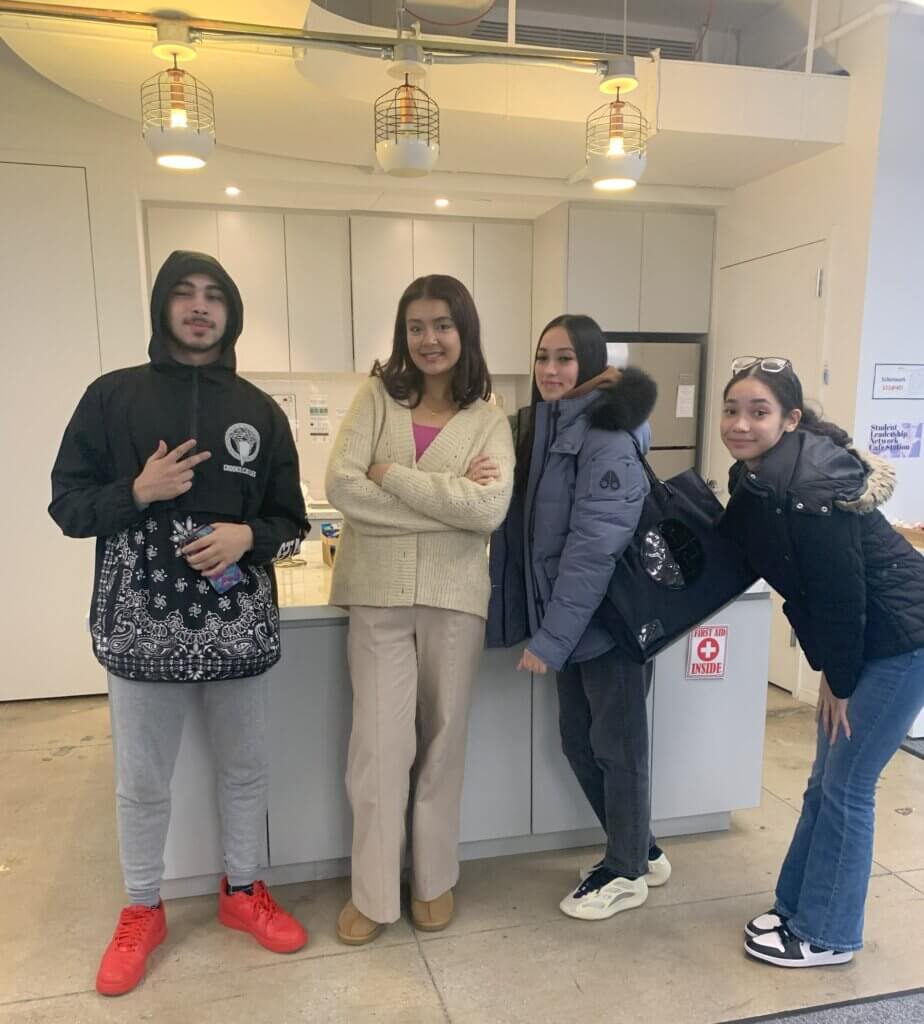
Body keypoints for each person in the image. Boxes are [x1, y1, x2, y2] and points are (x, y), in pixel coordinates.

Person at [49, 251, 310, 997]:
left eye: (215, 296)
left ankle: (242, 892)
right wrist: (137, 490)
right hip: (141, 623)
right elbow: (67, 507)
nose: (200, 308)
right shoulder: (110, 398)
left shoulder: (261, 410)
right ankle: (141, 908)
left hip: (238, 618)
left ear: (231, 312)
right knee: (142, 781)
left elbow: (290, 521)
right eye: (185, 295)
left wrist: (246, 539)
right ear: (163, 306)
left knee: (245, 767)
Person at [325, 274, 514, 944]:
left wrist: (395, 479)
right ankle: (373, 894)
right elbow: (341, 486)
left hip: (457, 599)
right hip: (376, 594)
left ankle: (433, 879)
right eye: (416, 326)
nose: (429, 339)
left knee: (444, 741)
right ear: (403, 335)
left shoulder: (490, 417)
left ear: (464, 331)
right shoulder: (376, 397)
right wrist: (445, 504)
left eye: (442, 325)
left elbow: (489, 510)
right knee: (378, 746)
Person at [719, 356, 924, 967]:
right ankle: (795, 908)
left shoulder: (809, 487)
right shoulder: (757, 477)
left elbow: (840, 594)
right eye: (732, 410)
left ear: (791, 420)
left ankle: (829, 934)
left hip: (898, 640)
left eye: (759, 412)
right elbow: (735, 547)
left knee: (847, 786)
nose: (741, 423)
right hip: (865, 637)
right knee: (824, 784)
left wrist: (836, 679)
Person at [488, 314, 671, 921]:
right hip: (575, 625)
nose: (550, 370)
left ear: (591, 364)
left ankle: (625, 872)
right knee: (580, 742)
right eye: (543, 357)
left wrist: (551, 638)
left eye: (565, 358)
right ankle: (638, 847)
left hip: (610, 625)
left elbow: (593, 548)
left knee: (618, 750)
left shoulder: (608, 435)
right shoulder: (548, 427)